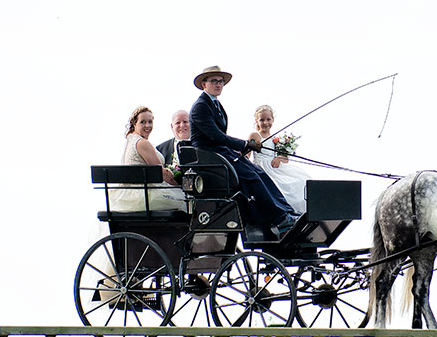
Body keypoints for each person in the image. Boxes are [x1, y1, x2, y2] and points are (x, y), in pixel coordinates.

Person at [188, 66, 298, 232]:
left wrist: (239, 149)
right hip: (209, 155)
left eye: (221, 81)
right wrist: (245, 145)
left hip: (221, 151)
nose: (218, 84)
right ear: (204, 84)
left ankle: (285, 212)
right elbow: (215, 136)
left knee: (259, 172)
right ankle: (279, 218)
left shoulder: (215, 104)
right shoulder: (201, 107)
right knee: (250, 176)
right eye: (214, 81)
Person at [112, 106, 186, 213]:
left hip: (130, 194)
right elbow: (161, 174)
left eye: (150, 122)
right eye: (142, 122)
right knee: (185, 200)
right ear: (134, 124)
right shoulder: (142, 143)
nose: (147, 125)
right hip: (144, 195)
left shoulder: (131, 140)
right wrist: (180, 186)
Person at [249, 105, 310, 215]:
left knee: (301, 180)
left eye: (268, 119)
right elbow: (247, 154)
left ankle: (301, 212)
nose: (265, 123)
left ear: (273, 120)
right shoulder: (255, 135)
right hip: (263, 168)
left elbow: (285, 158)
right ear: (257, 121)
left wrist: (280, 157)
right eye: (262, 120)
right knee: (279, 188)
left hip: (275, 167)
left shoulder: (275, 138)